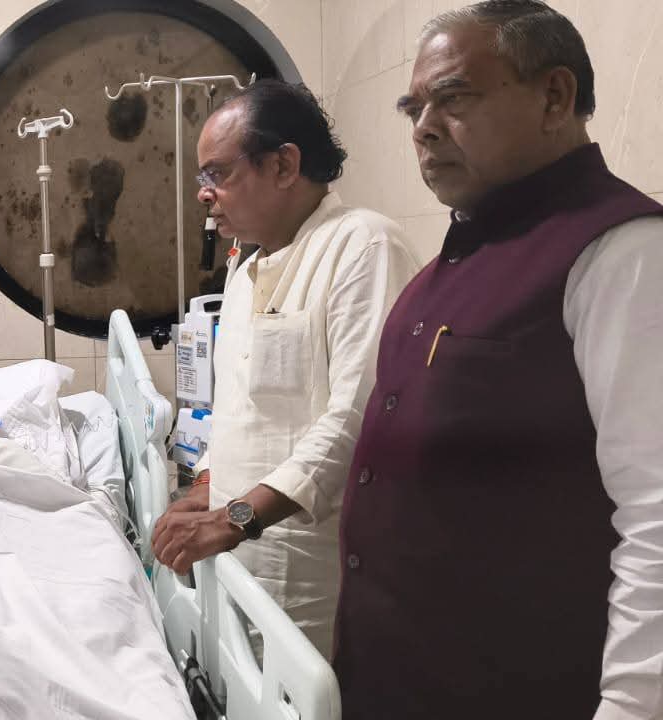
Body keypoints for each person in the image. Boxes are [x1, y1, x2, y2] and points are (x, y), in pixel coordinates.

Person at [335, 3, 663, 718]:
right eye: (413, 108)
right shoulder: (447, 269)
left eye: (453, 98)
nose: (423, 128)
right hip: (399, 680)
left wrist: (633, 704)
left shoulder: (623, 253)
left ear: (555, 97)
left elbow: (657, 513)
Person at [149, 80, 419, 657]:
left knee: (305, 684)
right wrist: (206, 487)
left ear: (283, 165)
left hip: (309, 569)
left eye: (218, 173)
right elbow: (238, 409)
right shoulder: (245, 270)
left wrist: (235, 517)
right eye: (202, 177)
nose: (204, 193)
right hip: (236, 558)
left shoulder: (362, 246)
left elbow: (358, 420)